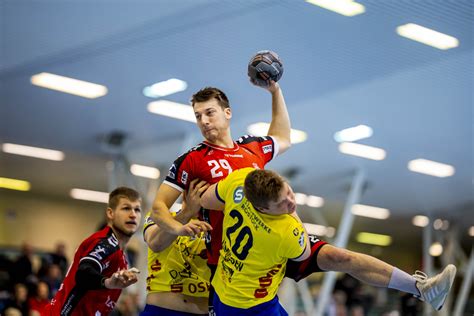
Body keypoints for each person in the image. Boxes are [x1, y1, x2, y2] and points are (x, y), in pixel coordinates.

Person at [150, 79, 292, 312]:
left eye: (209, 113)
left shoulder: (251, 148)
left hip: (262, 263)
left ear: (227, 113)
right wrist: (180, 227)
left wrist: (275, 91)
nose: (204, 121)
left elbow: (283, 137)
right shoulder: (193, 159)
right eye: (198, 116)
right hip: (224, 267)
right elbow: (158, 207)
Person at [200, 167, 311, 315]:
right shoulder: (286, 231)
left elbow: (206, 200)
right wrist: (294, 214)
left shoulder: (239, 179)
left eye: (289, 192)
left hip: (222, 290)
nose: (290, 202)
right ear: (262, 208)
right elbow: (305, 254)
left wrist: (237, 207)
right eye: (280, 204)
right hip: (252, 305)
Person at [44, 187, 142, 315]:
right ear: (110, 213)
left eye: (137, 209)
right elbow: (84, 272)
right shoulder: (106, 243)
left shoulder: (119, 254)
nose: (133, 214)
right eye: (126, 208)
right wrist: (108, 282)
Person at [141, 179, 211, 315]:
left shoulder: (217, 226)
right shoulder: (162, 217)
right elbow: (155, 242)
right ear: (185, 194)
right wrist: (186, 214)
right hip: (162, 311)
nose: (202, 199)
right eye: (198, 192)